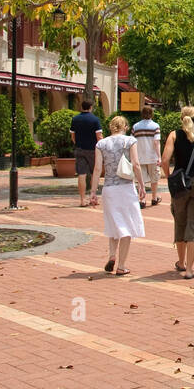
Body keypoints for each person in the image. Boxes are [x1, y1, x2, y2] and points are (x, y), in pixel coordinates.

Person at [88, 116, 146, 275]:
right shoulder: (130, 141)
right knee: (127, 225)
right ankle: (121, 265)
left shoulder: (101, 144)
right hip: (126, 187)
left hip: (109, 189)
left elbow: (97, 169)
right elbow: (136, 164)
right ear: (125, 126)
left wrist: (93, 192)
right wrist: (141, 184)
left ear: (111, 127)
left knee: (113, 224)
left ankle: (112, 255)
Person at [162, 105, 194, 280]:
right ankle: (190, 270)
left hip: (180, 185)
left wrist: (170, 177)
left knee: (180, 222)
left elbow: (164, 160)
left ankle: (181, 262)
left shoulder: (174, 135)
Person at [69, 100, 103, 207]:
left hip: (80, 149)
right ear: (91, 107)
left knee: (81, 174)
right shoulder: (95, 120)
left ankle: (82, 200)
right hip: (93, 150)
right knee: (95, 173)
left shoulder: (75, 119)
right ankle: (93, 197)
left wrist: (78, 144)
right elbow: (99, 137)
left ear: (82, 107)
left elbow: (73, 136)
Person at [131, 106, 163, 207]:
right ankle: (154, 198)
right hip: (152, 156)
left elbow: (132, 142)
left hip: (139, 156)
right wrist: (159, 157)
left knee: (141, 180)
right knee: (154, 178)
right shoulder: (155, 126)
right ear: (151, 114)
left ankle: (142, 200)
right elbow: (156, 142)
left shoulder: (136, 126)